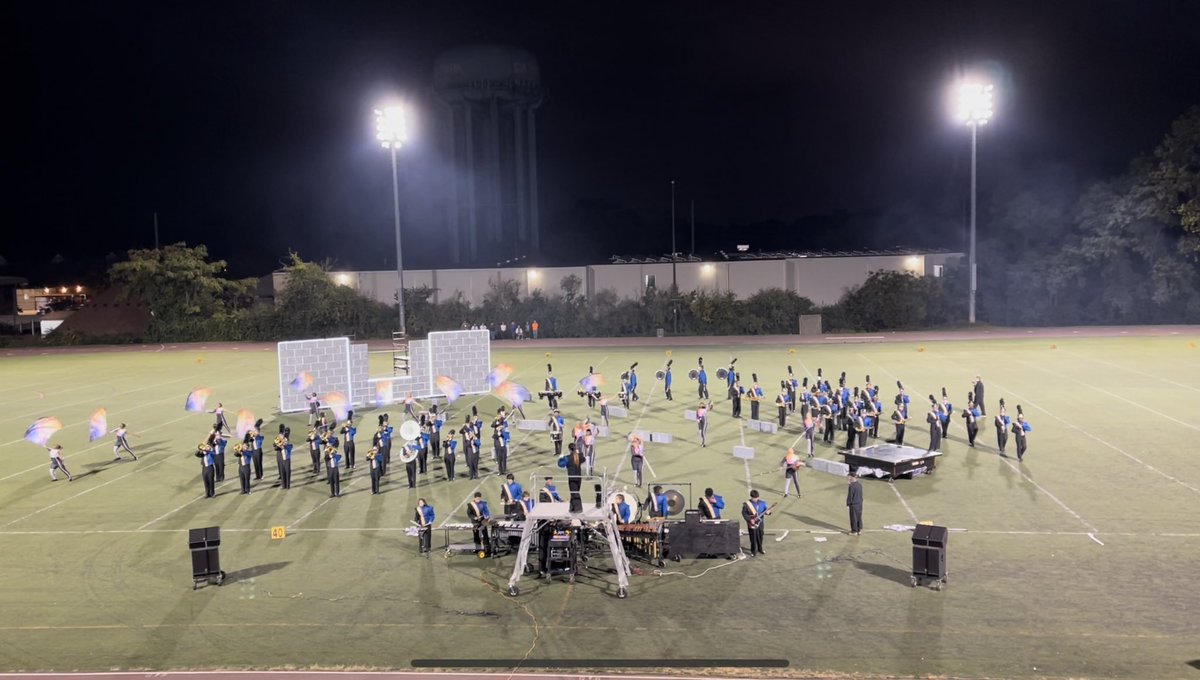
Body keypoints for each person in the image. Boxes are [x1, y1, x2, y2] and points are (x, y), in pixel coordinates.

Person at [558, 442, 586, 513]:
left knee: (574, 493)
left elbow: (561, 465)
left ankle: (578, 508)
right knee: (574, 493)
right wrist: (580, 453)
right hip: (579, 478)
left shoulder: (568, 458)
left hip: (572, 478)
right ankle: (572, 508)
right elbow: (583, 459)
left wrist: (560, 458)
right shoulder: (579, 456)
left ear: (569, 449)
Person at [742, 490, 770, 556]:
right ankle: (753, 551)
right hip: (752, 523)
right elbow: (744, 513)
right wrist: (749, 520)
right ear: (751, 497)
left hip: (760, 522)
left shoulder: (762, 503)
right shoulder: (747, 504)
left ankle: (760, 549)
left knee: (760, 535)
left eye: (757, 498)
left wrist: (768, 512)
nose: (755, 499)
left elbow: (766, 510)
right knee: (753, 537)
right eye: (754, 498)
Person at [467, 491, 491, 556]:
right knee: (476, 535)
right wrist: (474, 517)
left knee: (485, 534)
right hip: (475, 522)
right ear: (474, 498)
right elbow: (469, 513)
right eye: (477, 499)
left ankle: (487, 548)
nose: (478, 500)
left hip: (482, 521)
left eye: (479, 499)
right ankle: (477, 548)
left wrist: (487, 516)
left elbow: (487, 511)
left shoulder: (483, 503)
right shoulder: (470, 505)